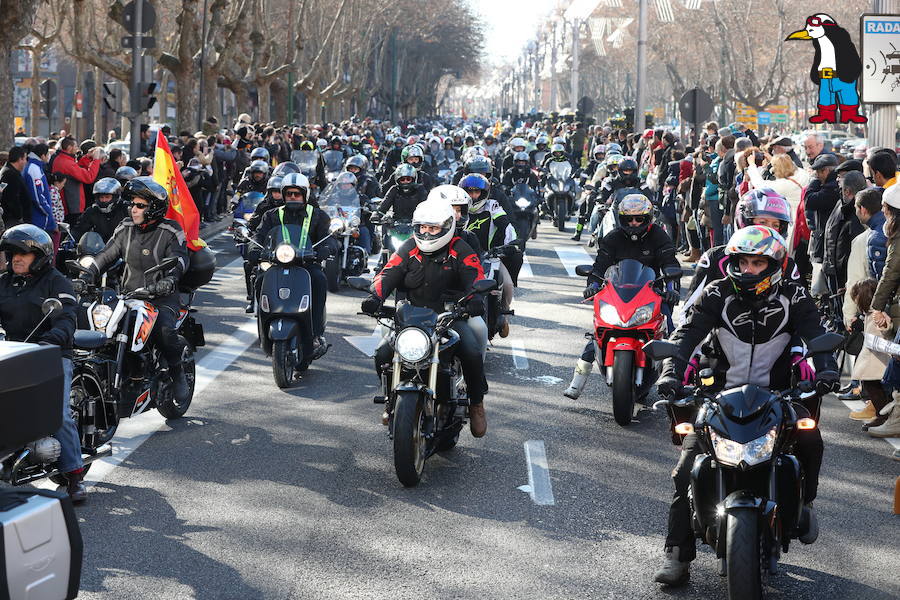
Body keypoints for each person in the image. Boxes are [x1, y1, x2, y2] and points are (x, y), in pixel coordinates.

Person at [652, 226, 839, 587]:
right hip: (719, 398)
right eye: (742, 262)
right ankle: (677, 555)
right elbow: (685, 336)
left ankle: (805, 504)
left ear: (774, 265)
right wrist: (671, 373)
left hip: (780, 396)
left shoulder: (795, 295)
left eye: (757, 263)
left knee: (811, 440)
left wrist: (827, 369)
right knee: (685, 469)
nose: (749, 270)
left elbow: (817, 336)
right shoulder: (716, 293)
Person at [360, 197, 489, 437]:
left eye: (433, 228)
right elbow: (388, 273)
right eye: (423, 228)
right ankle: (392, 399)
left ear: (447, 226)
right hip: (411, 318)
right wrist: (375, 298)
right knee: (382, 353)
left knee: (471, 350)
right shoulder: (409, 247)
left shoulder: (460, 249)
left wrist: (474, 300)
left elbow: (476, 276)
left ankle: (477, 403)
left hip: (450, 316)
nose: (427, 233)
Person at [80, 178, 191, 404]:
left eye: (140, 205)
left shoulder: (171, 230)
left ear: (154, 208)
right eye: (132, 204)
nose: (133, 209)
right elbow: (105, 255)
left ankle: (178, 373)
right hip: (128, 296)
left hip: (161, 297)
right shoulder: (125, 228)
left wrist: (169, 281)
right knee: (100, 326)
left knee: (164, 332)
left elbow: (180, 259)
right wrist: (87, 273)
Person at [564, 195, 680, 399]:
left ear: (648, 218)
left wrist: (671, 289)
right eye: (629, 219)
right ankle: (576, 383)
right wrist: (592, 286)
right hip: (616, 294)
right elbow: (599, 267)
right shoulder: (612, 237)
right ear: (621, 219)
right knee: (596, 336)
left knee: (671, 332)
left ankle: (675, 381)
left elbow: (669, 264)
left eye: (639, 219)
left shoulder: (659, 236)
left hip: (652, 294)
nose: (634, 223)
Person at [0, 224, 84, 502]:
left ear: (41, 256)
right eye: (12, 254)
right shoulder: (5, 282)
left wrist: (50, 341)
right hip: (13, 353)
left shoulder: (56, 282)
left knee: (56, 413)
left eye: (23, 254)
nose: (16, 259)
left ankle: (73, 476)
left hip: (51, 354)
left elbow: (67, 319)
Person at [250, 173, 335, 351]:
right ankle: (263, 327)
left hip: (307, 263)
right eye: (289, 194)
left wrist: (326, 248)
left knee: (319, 280)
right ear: (283, 195)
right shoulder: (271, 215)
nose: (293, 197)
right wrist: (254, 248)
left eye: (297, 194)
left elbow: (329, 237)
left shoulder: (318, 215)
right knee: (259, 279)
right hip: (277, 262)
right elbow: (259, 235)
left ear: (305, 195)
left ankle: (316, 333)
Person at [459, 173, 518, 337]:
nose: (473, 196)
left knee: (507, 285)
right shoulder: (456, 207)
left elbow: (506, 226)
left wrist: (509, 244)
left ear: (484, 193)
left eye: (477, 192)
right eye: (469, 191)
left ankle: (503, 315)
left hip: (489, 256)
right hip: (459, 256)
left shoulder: (492, 206)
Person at [72, 177, 128, 243]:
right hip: (99, 249)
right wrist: (70, 240)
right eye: (101, 197)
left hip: (122, 248)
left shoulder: (125, 209)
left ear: (115, 197)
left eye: (107, 197)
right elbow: (79, 229)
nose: (104, 200)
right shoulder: (92, 211)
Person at [0, 146, 31, 228]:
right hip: (12, 220)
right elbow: (12, 198)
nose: (25, 162)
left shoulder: (11, 172)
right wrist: (19, 217)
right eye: (25, 159)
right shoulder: (10, 174)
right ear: (20, 159)